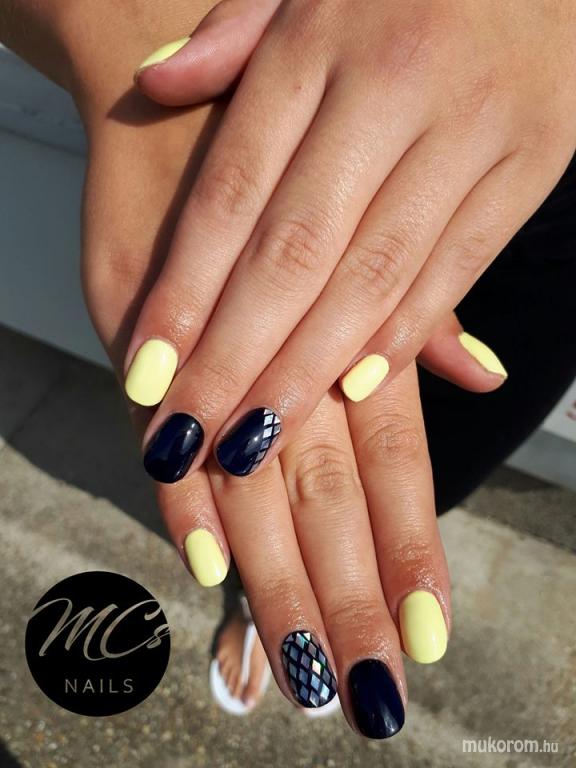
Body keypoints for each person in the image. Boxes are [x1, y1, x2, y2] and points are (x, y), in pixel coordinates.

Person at [1, 0, 575, 739]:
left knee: (415, 468)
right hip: (291, 83)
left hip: (547, 145)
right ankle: (262, 588)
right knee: (288, 469)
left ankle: (283, 579)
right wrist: (123, 31)